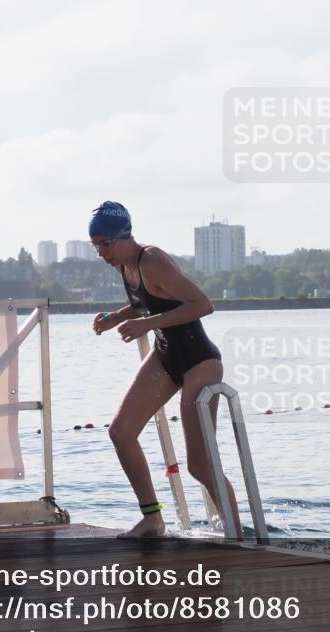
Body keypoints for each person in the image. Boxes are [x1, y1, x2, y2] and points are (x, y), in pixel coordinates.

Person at [90, 201, 242, 538]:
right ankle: (153, 519)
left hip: (200, 361)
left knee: (199, 464)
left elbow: (203, 304)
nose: (101, 253)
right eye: (95, 245)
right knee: (121, 431)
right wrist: (115, 317)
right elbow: (149, 300)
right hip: (165, 354)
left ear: (124, 235)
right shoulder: (124, 265)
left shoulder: (152, 260)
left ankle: (237, 534)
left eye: (105, 243)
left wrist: (147, 325)